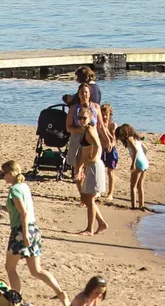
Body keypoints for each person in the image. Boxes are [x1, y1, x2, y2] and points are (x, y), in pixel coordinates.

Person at [2, 160, 68, 303]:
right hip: (33, 228)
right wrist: (1, 208)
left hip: (21, 230)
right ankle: (60, 293)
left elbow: (23, 213)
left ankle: (16, 299)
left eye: (4, 173)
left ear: (10, 173)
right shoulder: (24, 186)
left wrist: (24, 234)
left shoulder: (14, 190)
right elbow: (18, 209)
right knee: (36, 270)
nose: (3, 177)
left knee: (10, 268)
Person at [73, 91, 109, 235]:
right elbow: (82, 151)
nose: (82, 120)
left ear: (91, 117)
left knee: (89, 199)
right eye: (80, 118)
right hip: (89, 168)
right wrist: (80, 168)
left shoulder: (90, 130)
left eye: (84, 118)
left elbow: (98, 146)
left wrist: (92, 159)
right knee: (87, 199)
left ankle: (90, 229)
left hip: (94, 167)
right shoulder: (84, 130)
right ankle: (101, 223)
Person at [116, 123, 149, 210]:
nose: (119, 139)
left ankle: (133, 206)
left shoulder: (129, 140)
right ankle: (141, 205)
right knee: (140, 186)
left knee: (133, 186)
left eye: (119, 136)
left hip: (138, 163)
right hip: (144, 162)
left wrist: (133, 164)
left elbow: (136, 151)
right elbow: (145, 148)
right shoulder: (136, 138)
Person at [99, 103, 120, 201]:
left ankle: (110, 193)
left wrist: (111, 142)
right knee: (100, 170)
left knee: (110, 171)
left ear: (110, 114)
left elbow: (114, 139)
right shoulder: (99, 125)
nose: (104, 116)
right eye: (102, 114)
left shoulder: (112, 125)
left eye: (106, 114)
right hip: (101, 149)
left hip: (111, 150)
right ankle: (98, 190)